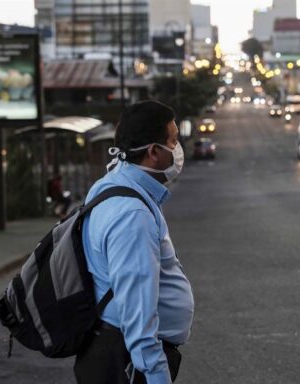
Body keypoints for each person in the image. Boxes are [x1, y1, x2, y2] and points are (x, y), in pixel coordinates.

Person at [74, 100, 194, 384]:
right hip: (124, 359)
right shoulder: (132, 215)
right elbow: (138, 315)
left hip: (113, 347)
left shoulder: (113, 182)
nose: (178, 150)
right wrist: (156, 376)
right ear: (154, 152)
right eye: (173, 141)